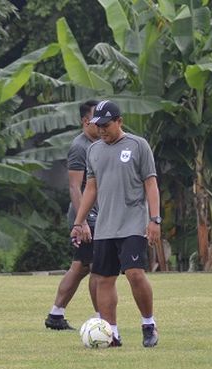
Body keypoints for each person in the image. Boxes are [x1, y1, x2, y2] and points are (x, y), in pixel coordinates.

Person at [70, 100, 160, 348]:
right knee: (103, 279)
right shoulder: (94, 150)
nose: (101, 130)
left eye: (106, 125)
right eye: (98, 126)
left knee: (134, 273)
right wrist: (79, 222)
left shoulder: (138, 145)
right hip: (105, 226)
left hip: (133, 222)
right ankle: (112, 334)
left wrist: (155, 219)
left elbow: (150, 183)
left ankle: (148, 323)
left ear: (119, 121)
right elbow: (91, 188)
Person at [45, 100, 101, 330]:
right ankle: (103, 318)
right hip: (87, 218)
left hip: (95, 216)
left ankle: (55, 315)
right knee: (97, 267)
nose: (102, 124)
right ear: (85, 122)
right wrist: (83, 222)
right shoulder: (80, 147)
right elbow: (74, 187)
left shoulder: (99, 144)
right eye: (97, 120)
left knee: (81, 267)